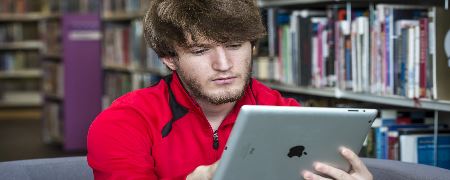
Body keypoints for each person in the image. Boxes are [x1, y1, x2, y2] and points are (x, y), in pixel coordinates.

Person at [87, 0, 373, 179]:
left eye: (235, 46)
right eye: (200, 51)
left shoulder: (287, 115)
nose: (223, 64)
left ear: (252, 46)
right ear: (168, 58)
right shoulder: (122, 123)